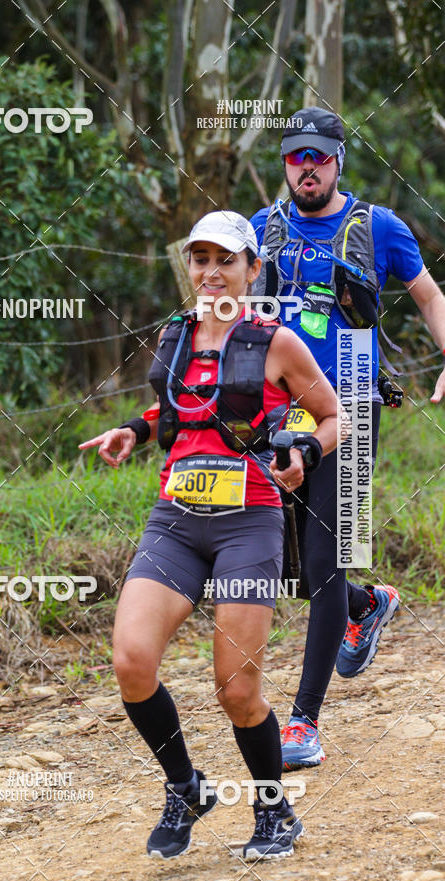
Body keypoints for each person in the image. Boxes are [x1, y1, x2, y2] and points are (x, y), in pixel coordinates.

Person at [80, 210, 342, 862]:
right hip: (174, 518)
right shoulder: (174, 334)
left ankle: (273, 811)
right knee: (132, 663)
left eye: (225, 259)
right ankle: (185, 787)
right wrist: (135, 432)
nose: (210, 272)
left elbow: (333, 412)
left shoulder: (277, 341)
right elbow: (181, 403)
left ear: (253, 270)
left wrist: (307, 449)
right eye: (199, 259)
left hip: (248, 521)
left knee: (237, 689)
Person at [249, 106, 445, 771]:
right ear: (285, 164)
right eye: (296, 157)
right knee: (295, 564)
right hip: (284, 412)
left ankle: (302, 722)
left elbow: (427, 296)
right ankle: (370, 604)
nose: (308, 168)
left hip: (353, 404)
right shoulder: (262, 230)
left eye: (320, 157)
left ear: (339, 161)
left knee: (325, 559)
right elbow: (228, 306)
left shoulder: (378, 227)